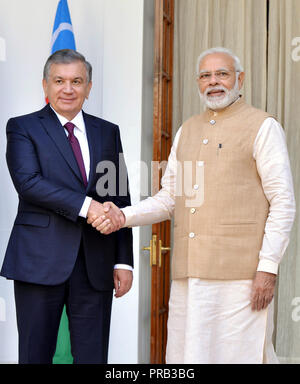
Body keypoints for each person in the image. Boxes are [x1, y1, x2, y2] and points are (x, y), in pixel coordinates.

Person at [89, 47, 296, 364]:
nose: (214, 82)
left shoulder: (263, 126)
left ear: (240, 79)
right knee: (188, 357)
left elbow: (283, 202)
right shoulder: (187, 130)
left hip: (241, 278)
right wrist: (122, 216)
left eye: (222, 74)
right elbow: (169, 197)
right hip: (189, 278)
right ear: (198, 83)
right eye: (205, 75)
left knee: (241, 356)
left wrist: (267, 268)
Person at [0, 49, 133, 364]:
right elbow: (29, 183)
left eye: (77, 81)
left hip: (95, 265)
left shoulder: (107, 132)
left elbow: (118, 199)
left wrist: (123, 261)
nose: (68, 89)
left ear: (89, 87)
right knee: (35, 355)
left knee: (93, 357)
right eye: (59, 80)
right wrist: (88, 207)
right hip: (39, 261)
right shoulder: (22, 127)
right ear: (45, 86)